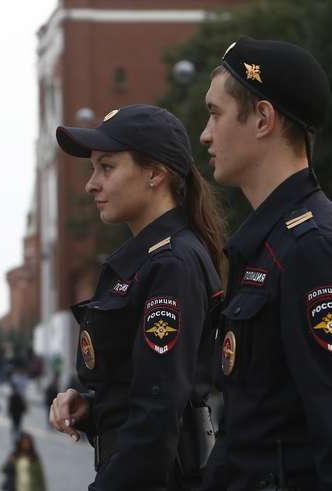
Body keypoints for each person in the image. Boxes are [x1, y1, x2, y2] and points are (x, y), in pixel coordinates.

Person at [197, 37, 332, 490]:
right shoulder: (270, 243)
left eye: (215, 114)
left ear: (262, 119)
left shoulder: (313, 248)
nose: (205, 134)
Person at [50, 104, 225, 490]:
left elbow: (159, 412)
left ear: (155, 173)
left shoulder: (172, 264)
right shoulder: (145, 261)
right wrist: (92, 408)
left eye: (107, 167)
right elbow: (141, 390)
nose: (91, 184)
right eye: (94, 168)